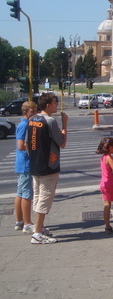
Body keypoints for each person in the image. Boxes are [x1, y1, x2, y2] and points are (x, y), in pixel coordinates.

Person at [27, 93, 68, 244]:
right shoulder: (50, 121)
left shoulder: (33, 119)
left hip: (35, 164)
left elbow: (26, 144)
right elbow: (62, 143)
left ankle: (40, 227)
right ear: (49, 105)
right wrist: (64, 124)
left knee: (37, 196)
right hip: (48, 165)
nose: (57, 104)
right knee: (44, 198)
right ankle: (37, 233)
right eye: (55, 102)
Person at [14, 101, 38, 234]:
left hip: (21, 163)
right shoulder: (24, 125)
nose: (35, 114)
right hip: (26, 164)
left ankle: (19, 221)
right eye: (32, 112)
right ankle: (27, 223)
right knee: (27, 194)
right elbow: (21, 145)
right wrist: (34, 146)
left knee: (20, 193)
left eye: (35, 111)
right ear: (25, 112)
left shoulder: (23, 124)